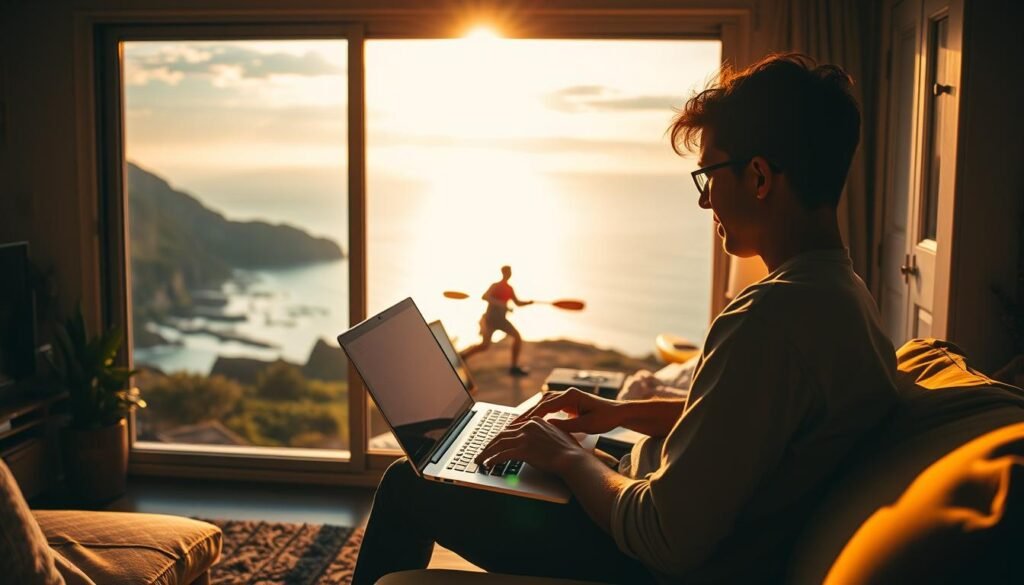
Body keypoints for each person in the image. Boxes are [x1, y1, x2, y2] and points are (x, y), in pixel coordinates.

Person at [352, 53, 901, 585]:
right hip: (687, 510)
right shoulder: (843, 293)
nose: (705, 201)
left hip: (645, 558)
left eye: (708, 175)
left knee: (409, 482)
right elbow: (737, 421)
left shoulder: (768, 319)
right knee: (535, 447)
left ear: (758, 178)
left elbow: (662, 536)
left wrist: (568, 458)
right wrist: (614, 412)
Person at [460, 265, 534, 377]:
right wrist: (500, 304)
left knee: (517, 337)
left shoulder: (510, 289)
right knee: (485, 345)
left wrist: (528, 303)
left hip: (502, 320)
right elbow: (484, 296)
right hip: (490, 320)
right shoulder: (495, 286)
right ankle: (463, 357)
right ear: (503, 273)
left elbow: (517, 303)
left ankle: (513, 367)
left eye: (510, 272)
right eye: (507, 272)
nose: (509, 274)